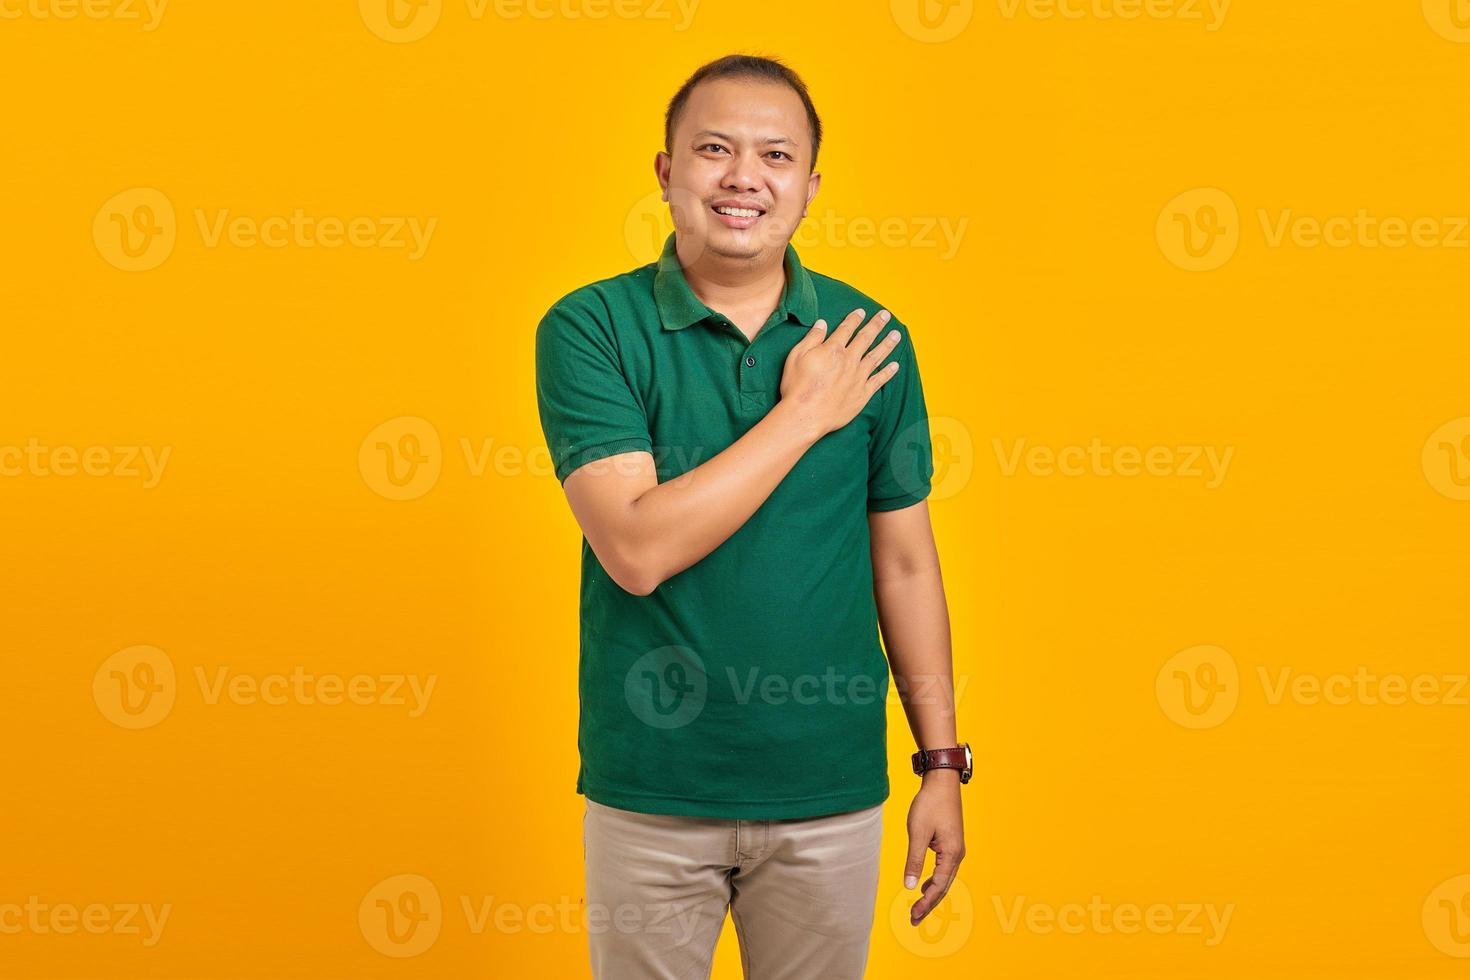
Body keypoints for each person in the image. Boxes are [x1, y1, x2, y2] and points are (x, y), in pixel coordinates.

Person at [534, 53, 970, 980]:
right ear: (665, 172)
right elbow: (638, 549)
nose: (743, 177)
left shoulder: (869, 339)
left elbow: (905, 565)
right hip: (653, 789)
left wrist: (941, 763)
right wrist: (805, 412)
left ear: (810, 187)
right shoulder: (590, 328)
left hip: (829, 790)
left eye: (775, 156)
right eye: (714, 150)